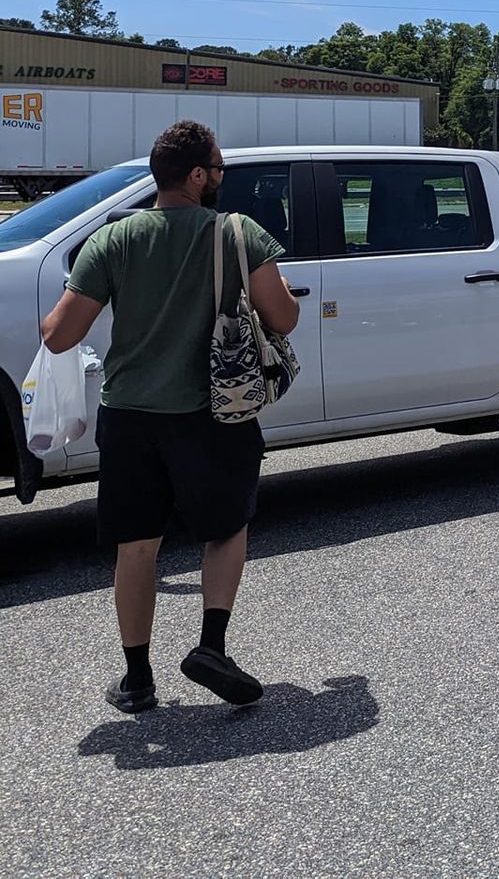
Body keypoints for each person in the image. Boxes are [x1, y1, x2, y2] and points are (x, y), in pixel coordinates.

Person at [40, 121, 300, 713]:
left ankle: (137, 680)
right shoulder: (238, 234)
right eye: (219, 166)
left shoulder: (114, 240)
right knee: (226, 528)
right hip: (215, 414)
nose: (223, 175)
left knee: (136, 547)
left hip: (129, 416)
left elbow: (59, 337)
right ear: (199, 175)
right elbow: (283, 319)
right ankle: (210, 646)